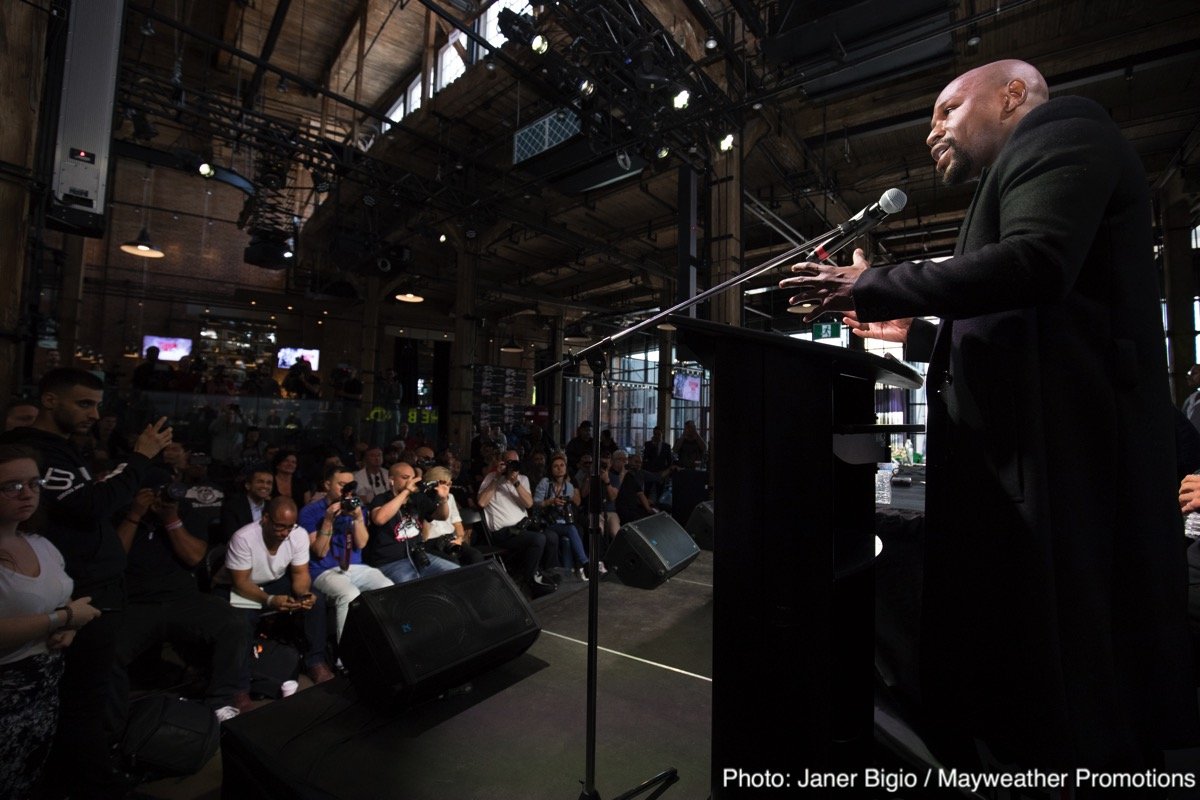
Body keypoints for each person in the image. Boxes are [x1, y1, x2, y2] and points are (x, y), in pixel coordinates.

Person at [779, 59, 1197, 770]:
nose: (932, 130)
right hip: (1031, 453)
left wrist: (875, 283)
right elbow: (1020, 326)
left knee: (1075, 661)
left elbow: (1034, 263)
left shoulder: (1064, 130)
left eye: (946, 109)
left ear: (1012, 95)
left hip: (1066, 457)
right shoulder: (1020, 174)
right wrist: (910, 334)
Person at [0, 368, 173, 798]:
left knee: (85, 699)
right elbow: (86, 506)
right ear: (50, 400)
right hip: (74, 600)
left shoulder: (59, 460)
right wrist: (139, 459)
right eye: (84, 403)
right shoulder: (41, 450)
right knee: (79, 703)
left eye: (33, 485)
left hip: (77, 593)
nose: (95, 414)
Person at [0, 445, 102, 798]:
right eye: (11, 486)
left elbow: (59, 599)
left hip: (44, 690)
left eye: (34, 483)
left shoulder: (40, 543)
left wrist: (68, 625)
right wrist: (65, 617)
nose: (26, 494)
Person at [224, 497, 334, 686]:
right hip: (245, 585)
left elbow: (300, 573)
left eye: (289, 527)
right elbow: (240, 582)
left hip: (276, 581)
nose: (285, 533)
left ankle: (315, 661)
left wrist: (303, 594)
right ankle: (239, 683)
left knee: (316, 601)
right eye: (279, 527)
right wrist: (270, 600)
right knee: (242, 620)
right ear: (266, 519)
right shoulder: (244, 538)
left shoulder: (297, 534)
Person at [298, 465, 392, 641]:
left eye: (351, 486)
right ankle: (345, 658)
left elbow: (362, 543)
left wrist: (357, 518)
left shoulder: (355, 507)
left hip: (354, 566)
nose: (347, 491)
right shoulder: (310, 511)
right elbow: (319, 551)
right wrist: (327, 520)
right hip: (322, 570)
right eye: (341, 485)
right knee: (349, 594)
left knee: (386, 588)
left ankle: (383, 644)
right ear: (327, 485)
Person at [477, 450, 557, 597]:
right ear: (502, 462)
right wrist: (497, 477)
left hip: (523, 528)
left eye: (515, 463)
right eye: (509, 462)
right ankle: (530, 581)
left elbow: (529, 504)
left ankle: (544, 573)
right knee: (538, 539)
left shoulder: (522, 479)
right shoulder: (491, 478)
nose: (511, 466)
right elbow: (482, 502)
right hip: (503, 532)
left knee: (551, 536)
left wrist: (515, 482)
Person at [365, 461, 458, 584]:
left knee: (455, 572)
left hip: (419, 557)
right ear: (391, 480)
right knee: (413, 586)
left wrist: (443, 499)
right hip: (391, 562)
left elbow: (442, 516)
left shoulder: (417, 498)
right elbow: (379, 519)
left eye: (412, 478)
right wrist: (406, 491)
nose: (410, 481)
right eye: (405, 478)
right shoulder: (381, 499)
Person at [533, 453, 590, 580]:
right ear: (551, 469)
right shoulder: (545, 483)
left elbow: (573, 504)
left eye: (562, 465)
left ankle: (567, 573)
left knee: (567, 540)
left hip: (561, 521)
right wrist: (551, 502)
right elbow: (535, 503)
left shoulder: (569, 487)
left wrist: (564, 508)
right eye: (555, 466)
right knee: (571, 529)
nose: (559, 468)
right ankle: (585, 563)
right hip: (546, 522)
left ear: (566, 468)